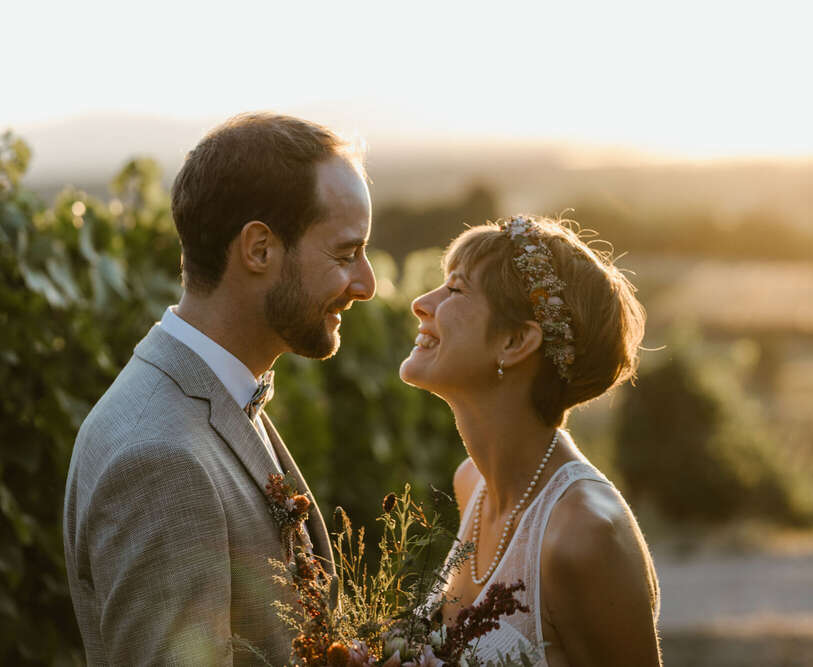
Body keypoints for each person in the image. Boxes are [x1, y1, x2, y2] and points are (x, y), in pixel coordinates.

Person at [62, 113, 376, 665]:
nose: (367, 284)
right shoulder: (160, 460)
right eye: (346, 255)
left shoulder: (213, 395)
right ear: (258, 249)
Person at [400, 215, 662, 666]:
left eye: (456, 290)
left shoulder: (585, 533)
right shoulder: (473, 486)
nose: (422, 304)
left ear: (516, 341)